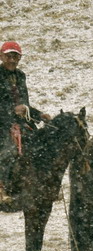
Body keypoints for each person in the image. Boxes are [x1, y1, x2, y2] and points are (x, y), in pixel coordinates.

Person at [0, 41, 51, 203]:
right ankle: (2, 189)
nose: (12, 60)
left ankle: (40, 185)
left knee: (42, 146)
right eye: (9, 56)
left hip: (20, 123)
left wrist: (40, 115)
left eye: (16, 56)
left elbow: (24, 104)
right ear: (1, 56)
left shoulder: (20, 76)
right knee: (8, 151)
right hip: (2, 123)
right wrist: (11, 112)